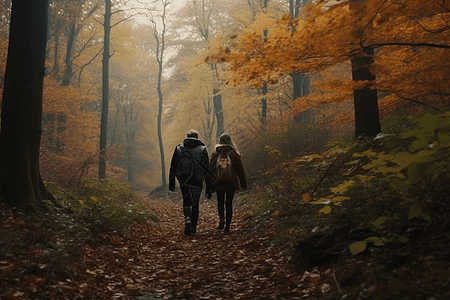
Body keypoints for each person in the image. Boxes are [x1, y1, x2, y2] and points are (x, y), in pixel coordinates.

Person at [169, 129, 213, 236]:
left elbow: (173, 166)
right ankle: (193, 227)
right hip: (196, 179)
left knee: (186, 199)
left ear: (187, 136)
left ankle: (187, 218)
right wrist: (209, 187)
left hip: (183, 178)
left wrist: (172, 182)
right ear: (197, 137)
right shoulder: (202, 149)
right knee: (195, 203)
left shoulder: (179, 148)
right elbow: (207, 169)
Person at [210, 133, 246, 233]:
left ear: (220, 141)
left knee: (220, 202)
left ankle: (222, 219)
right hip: (231, 182)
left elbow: (210, 168)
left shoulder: (215, 154)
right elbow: (240, 170)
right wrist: (243, 184)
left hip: (218, 182)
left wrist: (210, 183)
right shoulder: (234, 154)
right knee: (229, 204)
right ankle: (227, 227)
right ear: (230, 141)